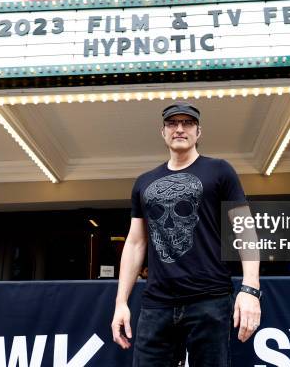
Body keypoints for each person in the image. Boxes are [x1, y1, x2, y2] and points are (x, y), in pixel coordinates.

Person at [111, 101, 261, 367]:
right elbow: (135, 242)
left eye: (187, 123)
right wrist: (121, 302)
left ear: (198, 132)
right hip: (157, 303)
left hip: (210, 299)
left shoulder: (219, 171)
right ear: (163, 132)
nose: (179, 129)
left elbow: (244, 228)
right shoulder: (144, 182)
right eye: (172, 123)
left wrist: (250, 288)